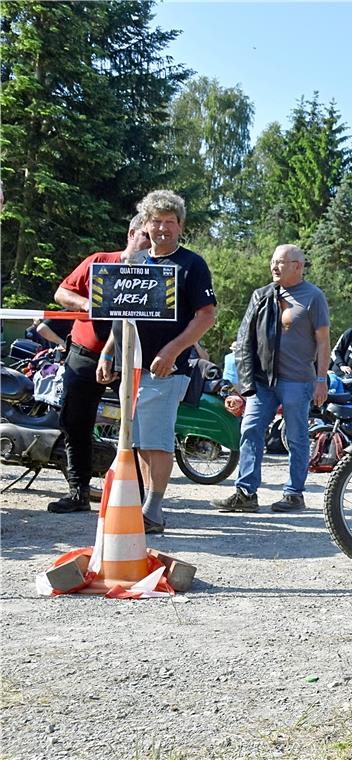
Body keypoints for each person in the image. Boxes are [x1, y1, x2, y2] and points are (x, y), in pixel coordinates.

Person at [98, 190, 216, 534]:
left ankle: (154, 509)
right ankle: (144, 505)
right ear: (146, 225)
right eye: (156, 222)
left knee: (156, 440)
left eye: (169, 222)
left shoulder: (192, 264)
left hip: (166, 368)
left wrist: (173, 351)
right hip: (130, 366)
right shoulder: (135, 262)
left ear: (180, 226)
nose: (162, 228)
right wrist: (108, 351)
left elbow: (206, 316)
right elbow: (120, 313)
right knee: (137, 440)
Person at [212, 245, 330, 514]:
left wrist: (321, 379)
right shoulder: (262, 295)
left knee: (297, 437)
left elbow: (323, 342)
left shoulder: (314, 297)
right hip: (263, 381)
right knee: (250, 430)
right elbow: (244, 339)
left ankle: (293, 494)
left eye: (281, 262)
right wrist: (244, 383)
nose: (274, 267)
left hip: (298, 381)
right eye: (273, 262)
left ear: (298, 266)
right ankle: (245, 493)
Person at [45, 214, 151, 513]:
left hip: (128, 357)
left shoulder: (155, 274)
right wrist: (87, 304)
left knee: (136, 426)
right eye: (145, 235)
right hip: (82, 354)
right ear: (131, 233)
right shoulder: (100, 261)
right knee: (74, 422)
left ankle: (137, 501)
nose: (149, 242)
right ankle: (78, 492)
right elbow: (62, 293)